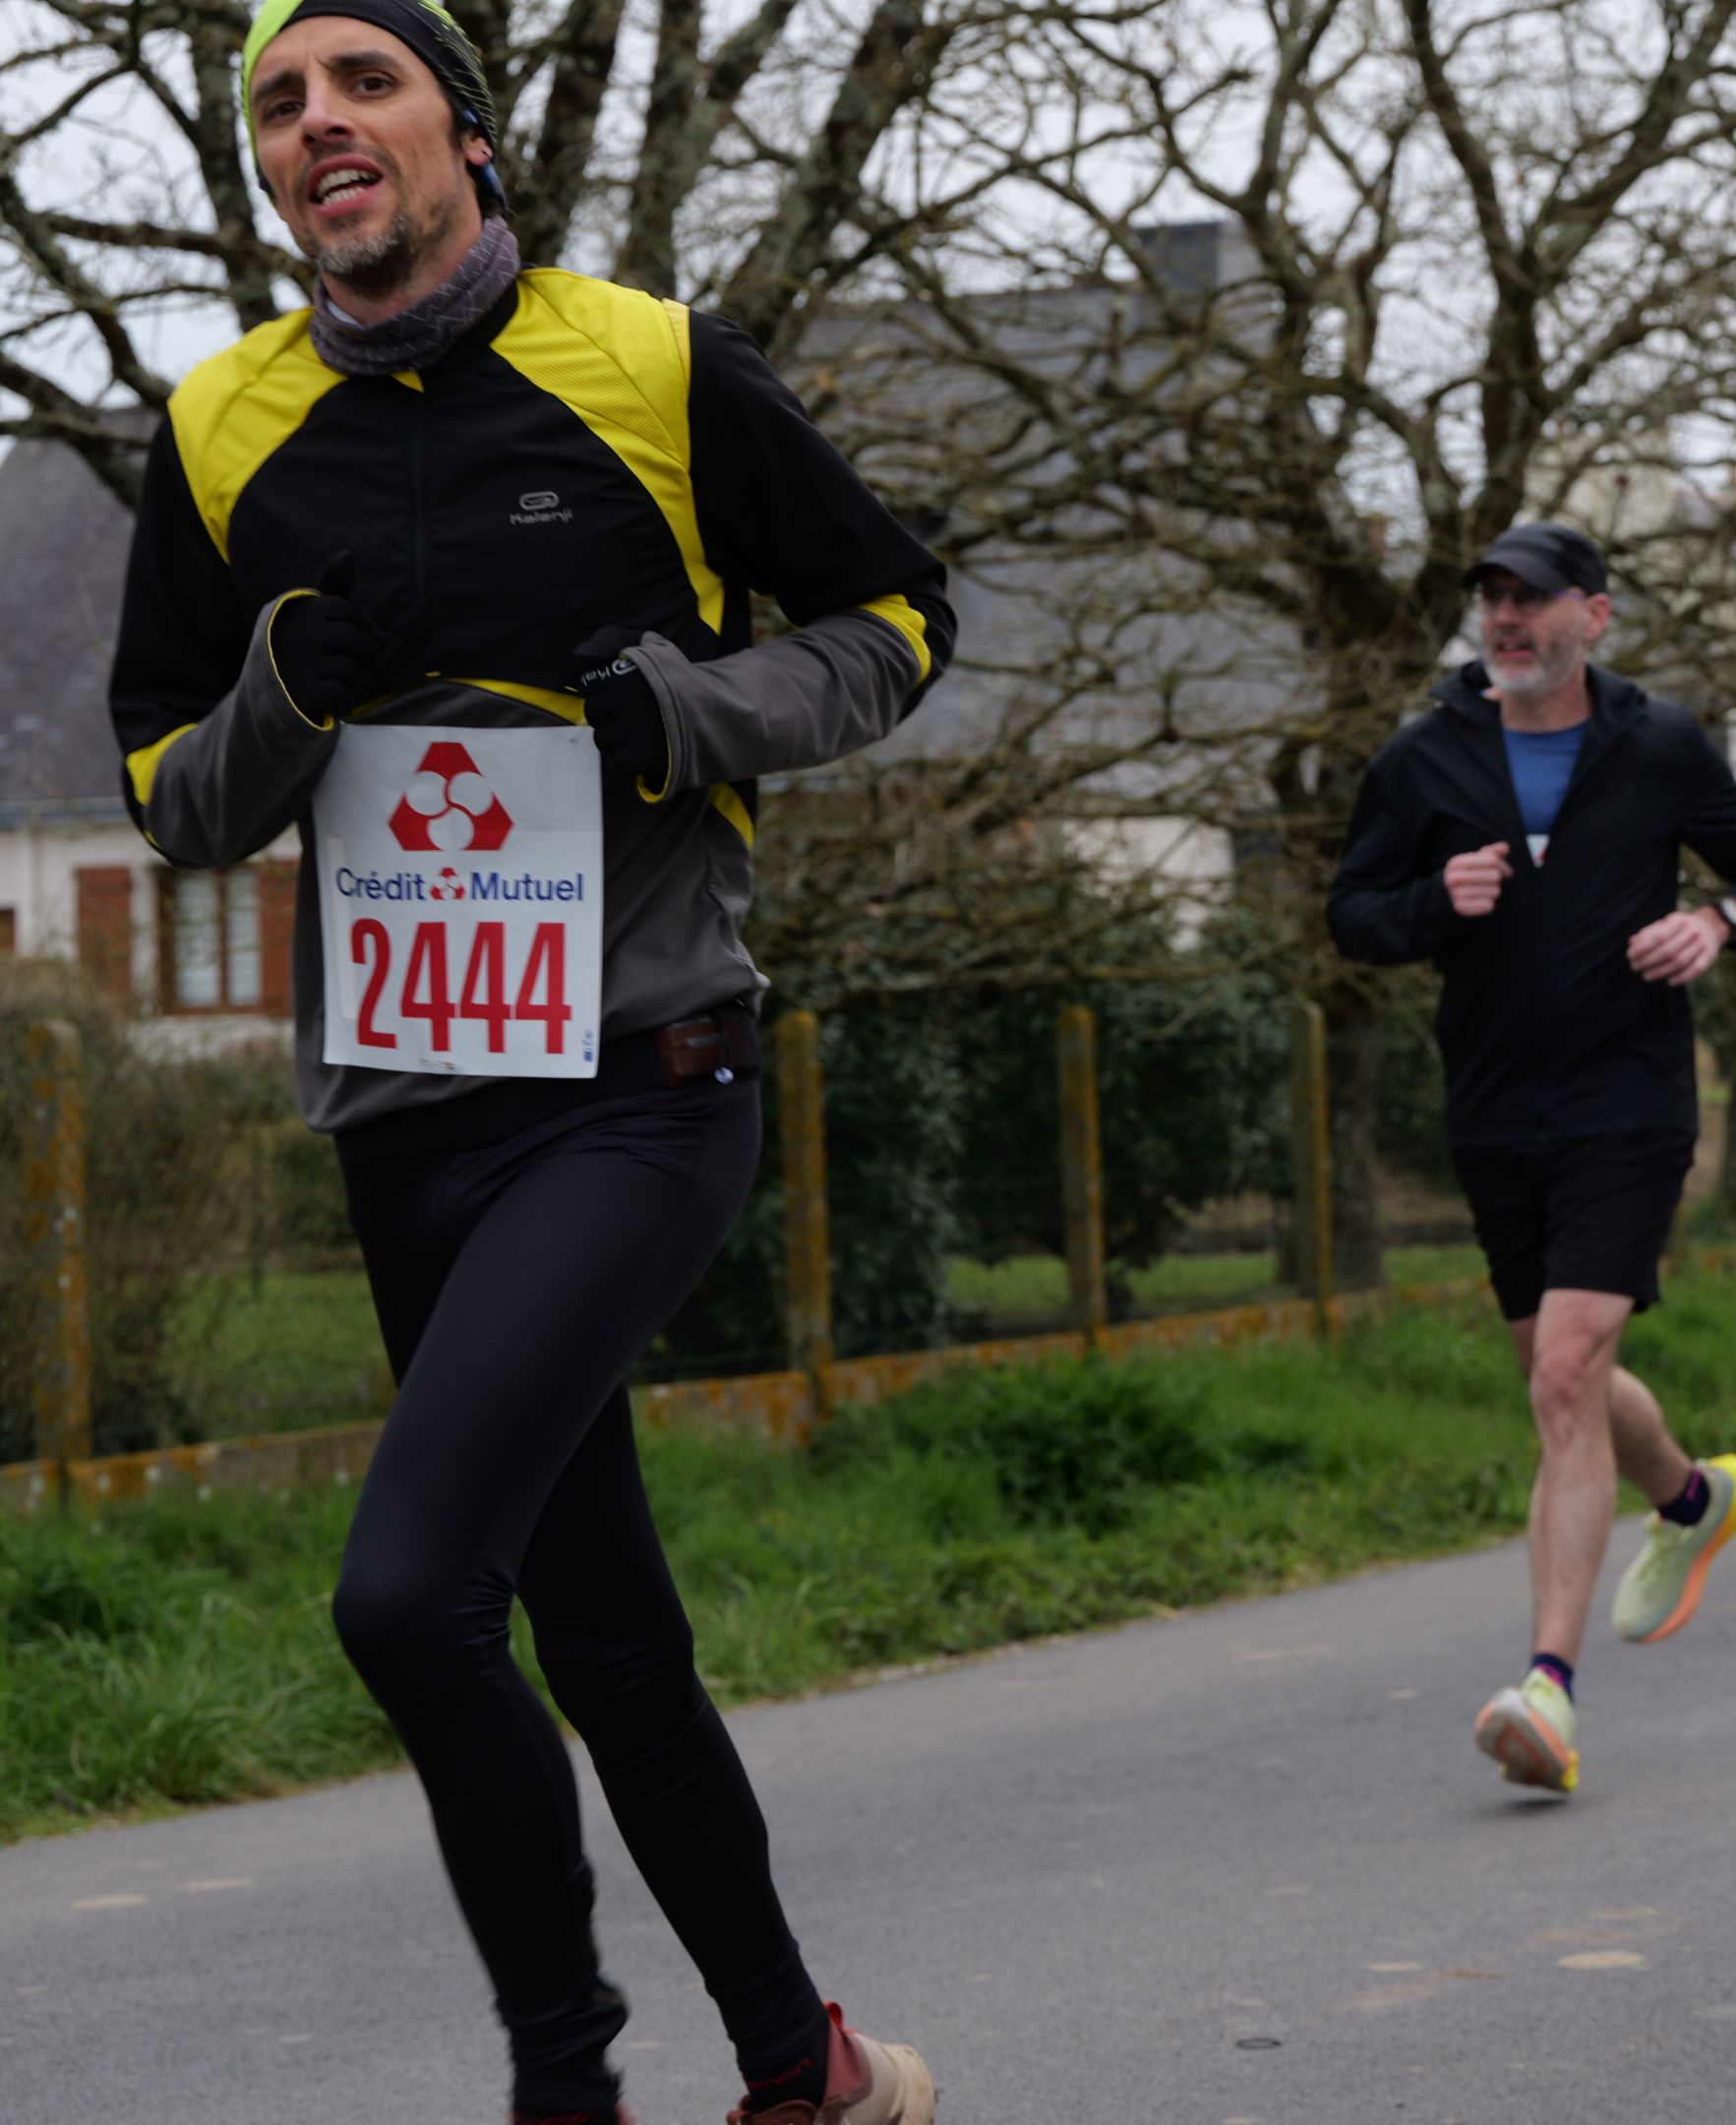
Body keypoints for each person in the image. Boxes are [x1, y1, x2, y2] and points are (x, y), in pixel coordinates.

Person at [109, 5, 953, 2116]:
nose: (320, 121)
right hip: (407, 1117)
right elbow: (168, 795)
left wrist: (692, 713)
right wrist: (282, 698)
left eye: (364, 81)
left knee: (408, 1599)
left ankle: (565, 2083)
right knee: (606, 1636)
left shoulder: (651, 364)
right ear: (271, 172)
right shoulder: (216, 424)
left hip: (641, 1074)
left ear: (465, 131)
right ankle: (814, 2066)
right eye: (281, 102)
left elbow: (895, 625)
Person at [1328, 520, 1736, 1794]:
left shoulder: (1658, 745)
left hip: (1628, 1103)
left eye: (1532, 598)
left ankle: (1549, 1690)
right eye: (1492, 596)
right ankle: (1692, 1499)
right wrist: (1435, 902)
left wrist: (1719, 921)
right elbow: (1351, 913)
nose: (1507, 617)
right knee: (1564, 1378)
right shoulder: (1425, 756)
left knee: (1562, 1370)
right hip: (1494, 1108)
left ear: (1594, 614)